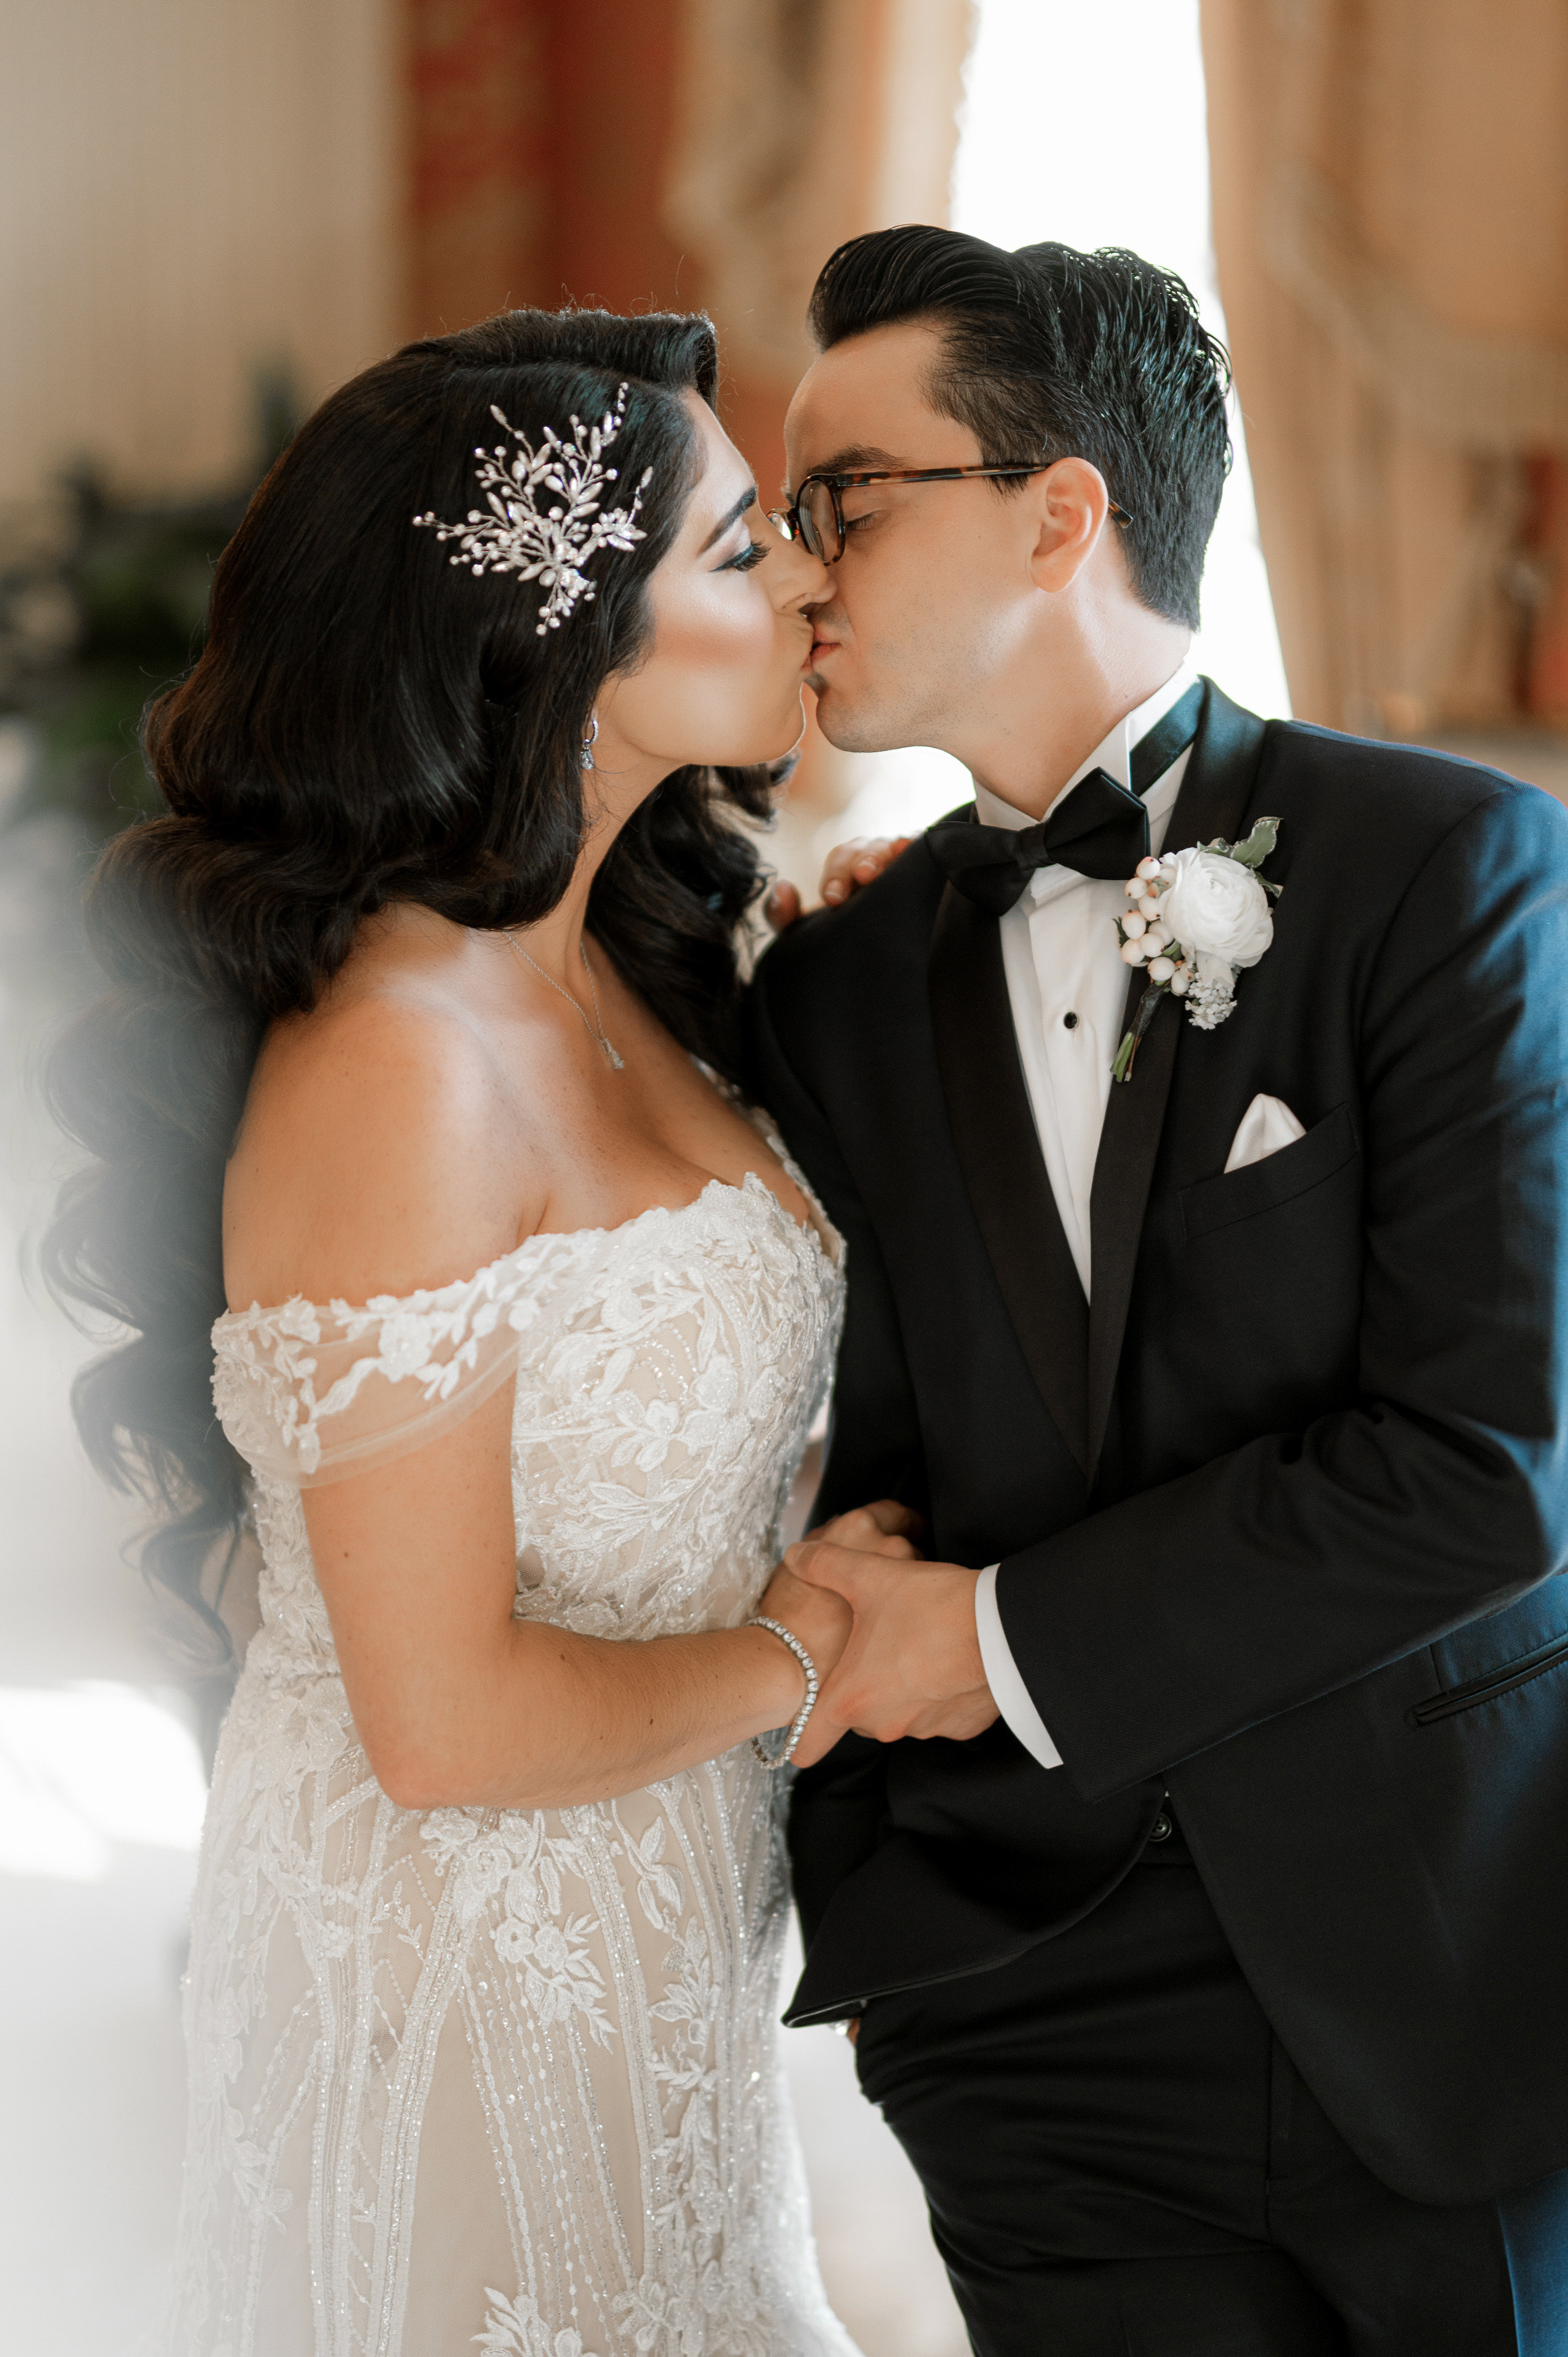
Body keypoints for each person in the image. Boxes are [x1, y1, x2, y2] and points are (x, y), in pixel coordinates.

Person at [43, 306, 904, 2356]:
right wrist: (806, 1644)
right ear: (549, 651)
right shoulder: (403, 1064)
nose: (804, 572)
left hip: (667, 1919)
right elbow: (441, 1727)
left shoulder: (643, 958)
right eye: (733, 549)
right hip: (459, 1958)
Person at [749, 225, 1568, 2356]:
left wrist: (997, 1639)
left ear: (1056, 511)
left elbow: (1485, 1466)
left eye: (844, 494)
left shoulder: (1444, 868)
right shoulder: (822, 988)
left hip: (1433, 1953)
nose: (793, 561)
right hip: (1018, 2014)